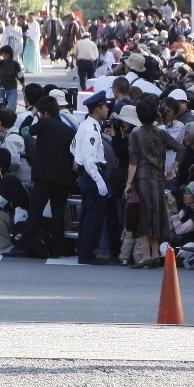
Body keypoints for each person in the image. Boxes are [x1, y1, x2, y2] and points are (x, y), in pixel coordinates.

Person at [4, 96, 77, 259]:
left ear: (44, 112)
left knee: (35, 213)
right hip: (63, 178)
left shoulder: (44, 123)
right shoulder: (70, 130)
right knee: (58, 214)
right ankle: (55, 249)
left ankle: (23, 246)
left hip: (44, 177)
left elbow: (24, 131)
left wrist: (32, 114)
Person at [124, 97, 185, 269]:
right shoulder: (162, 133)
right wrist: (173, 168)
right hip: (158, 179)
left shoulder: (136, 134)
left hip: (142, 178)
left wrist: (129, 183)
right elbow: (181, 148)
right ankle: (155, 253)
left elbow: (133, 161)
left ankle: (146, 255)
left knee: (143, 215)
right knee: (156, 215)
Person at [73, 91, 112, 265]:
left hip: (87, 173)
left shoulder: (86, 125)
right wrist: (99, 179)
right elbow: (89, 158)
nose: (107, 109)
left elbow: (73, 148)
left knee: (88, 215)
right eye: (105, 106)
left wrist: (79, 163)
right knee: (94, 217)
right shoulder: (91, 129)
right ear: (97, 109)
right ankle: (87, 253)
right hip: (93, 173)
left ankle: (85, 251)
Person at [0, 149, 29, 254]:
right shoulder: (10, 176)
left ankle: (5, 245)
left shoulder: (6, 180)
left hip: (19, 220)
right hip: (21, 218)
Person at [0, 45, 23, 112]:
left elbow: (21, 77)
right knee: (1, 109)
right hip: (1, 90)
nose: (4, 56)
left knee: (11, 109)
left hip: (12, 89)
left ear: (10, 54)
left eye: (6, 54)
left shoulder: (15, 64)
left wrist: (24, 87)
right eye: (3, 54)